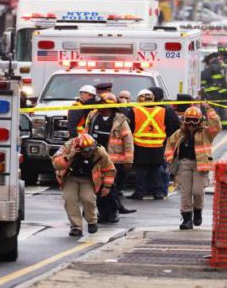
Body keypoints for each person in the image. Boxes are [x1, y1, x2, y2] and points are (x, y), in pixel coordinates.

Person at [165, 105, 222, 230]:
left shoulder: (207, 133)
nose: (191, 124)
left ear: (200, 121)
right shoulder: (179, 133)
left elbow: (217, 125)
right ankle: (186, 219)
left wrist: (209, 110)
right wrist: (169, 158)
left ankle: (197, 211)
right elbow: (169, 144)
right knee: (185, 193)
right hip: (184, 165)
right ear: (184, 120)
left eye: (195, 120)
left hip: (200, 166)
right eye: (188, 120)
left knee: (197, 192)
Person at [83, 93, 136, 223]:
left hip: (114, 160)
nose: (99, 107)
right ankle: (103, 213)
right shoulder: (92, 116)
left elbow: (128, 141)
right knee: (97, 187)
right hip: (95, 159)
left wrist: (128, 160)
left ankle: (113, 212)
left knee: (110, 188)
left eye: (102, 104)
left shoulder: (120, 121)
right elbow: (85, 134)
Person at [52, 134, 116, 236]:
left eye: (91, 149)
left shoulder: (100, 151)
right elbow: (56, 164)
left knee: (88, 198)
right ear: (78, 148)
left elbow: (110, 169)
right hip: (70, 177)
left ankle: (92, 222)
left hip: (89, 178)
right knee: (69, 199)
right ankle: (76, 227)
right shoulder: (68, 147)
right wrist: (69, 156)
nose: (89, 153)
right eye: (86, 150)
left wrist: (107, 187)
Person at [126, 90, 170, 200]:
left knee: (141, 170)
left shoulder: (135, 111)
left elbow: (129, 128)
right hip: (157, 145)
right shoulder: (163, 111)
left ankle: (139, 192)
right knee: (156, 169)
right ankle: (157, 192)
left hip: (140, 144)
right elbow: (170, 126)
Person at [149, 86, 181, 197]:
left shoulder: (166, 110)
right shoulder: (167, 109)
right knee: (157, 168)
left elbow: (175, 127)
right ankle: (157, 190)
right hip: (155, 143)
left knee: (162, 168)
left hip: (163, 144)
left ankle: (162, 190)